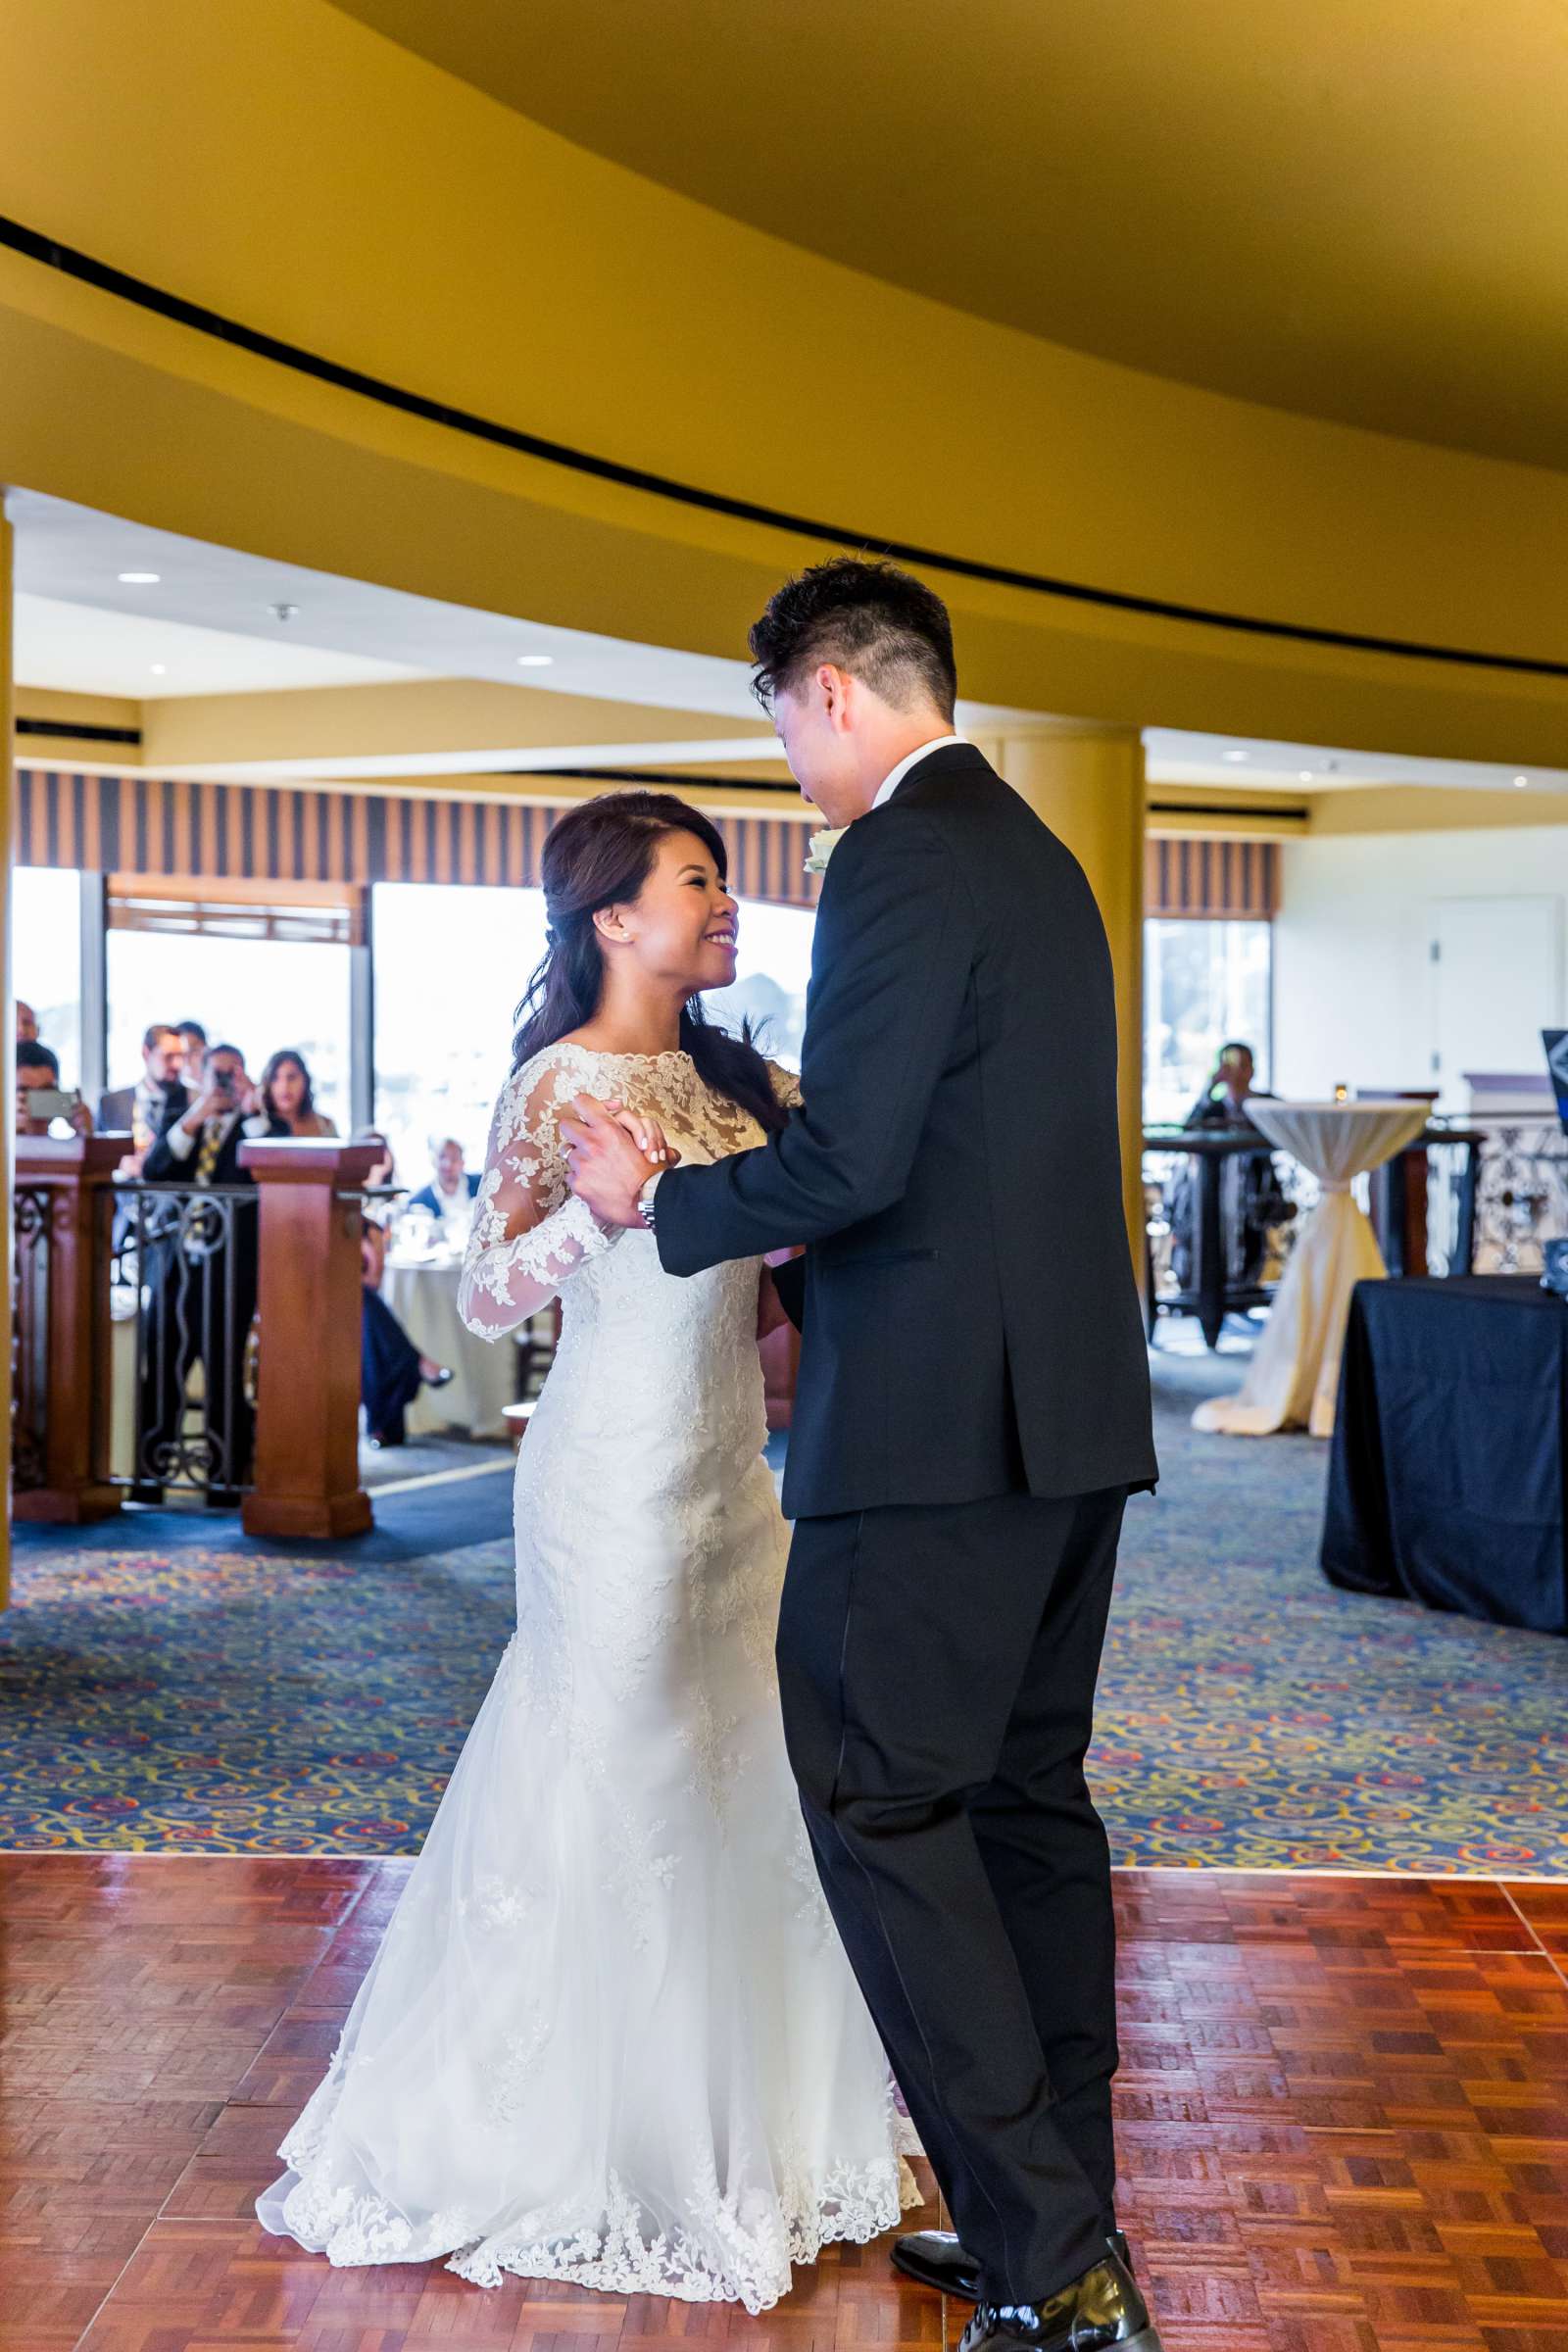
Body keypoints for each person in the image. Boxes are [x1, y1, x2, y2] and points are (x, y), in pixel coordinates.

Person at [564, 560, 1162, 2352]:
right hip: (1066, 1420)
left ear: (827, 690)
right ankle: (1056, 2219)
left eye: (780, 725)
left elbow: (864, 1161)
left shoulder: (901, 856)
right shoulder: (1040, 855)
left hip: (934, 1438)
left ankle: (1056, 2263)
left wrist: (658, 1196)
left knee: (885, 1796)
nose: (790, 773)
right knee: (1024, 1807)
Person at [256, 790, 917, 2305]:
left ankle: (743, 2123)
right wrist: (607, 1222)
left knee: (740, 1766)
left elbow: (765, 1289)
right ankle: (581, 2134)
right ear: (614, 918)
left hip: (723, 1479)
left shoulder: (740, 1080)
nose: (726, 903)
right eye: (697, 882)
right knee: (618, 1761)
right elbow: (490, 1295)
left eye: (725, 882)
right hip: (605, 1481)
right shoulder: (558, 1086)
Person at [137, 1043, 280, 1502]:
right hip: (176, 1269)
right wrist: (197, 1114)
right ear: (198, 1076)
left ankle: (225, 1485)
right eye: (215, 1074)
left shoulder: (257, 1124)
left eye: (231, 1074)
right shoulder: (184, 1116)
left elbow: (269, 1169)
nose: (221, 1082)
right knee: (161, 1369)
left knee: (224, 1373)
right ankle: (149, 1481)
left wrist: (249, 1106)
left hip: (229, 1272)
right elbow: (156, 1169)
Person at [1170, 1040, 1293, 1293]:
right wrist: (1210, 1087)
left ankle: (1247, 1286)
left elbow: (1287, 1122)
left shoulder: (1264, 1104)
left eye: (1243, 1066)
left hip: (1254, 1191)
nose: (1237, 1073)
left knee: (1251, 1241)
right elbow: (1188, 1131)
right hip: (1215, 1190)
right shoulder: (1213, 1107)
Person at [356, 1127, 452, 1446]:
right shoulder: (346, 1205)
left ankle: (385, 1420)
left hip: (361, 1295)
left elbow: (373, 1277)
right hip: (336, 1298)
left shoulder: (385, 1204)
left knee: (373, 1329)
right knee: (370, 1319)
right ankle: (416, 1363)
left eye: (379, 1154)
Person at [99, 1022, 189, 1159]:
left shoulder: (192, 1103)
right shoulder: (111, 1104)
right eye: (169, 1056)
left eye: (181, 1056)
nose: (177, 1064)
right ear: (146, 1053)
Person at [406, 1135, 480, 1243]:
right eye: (442, 1157)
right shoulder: (419, 1200)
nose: (447, 1164)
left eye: (453, 1158)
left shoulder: (481, 1185)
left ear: (462, 1162)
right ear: (433, 1161)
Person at [16, 1039, 94, 1138]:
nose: (39, 1101)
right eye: (24, 1090)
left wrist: (86, 1137)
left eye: (46, 1090)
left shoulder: (67, 1149)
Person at [260, 1047, 338, 1137]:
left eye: (291, 1077)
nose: (284, 1086)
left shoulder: (325, 1125)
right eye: (275, 1078)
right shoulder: (258, 1123)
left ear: (305, 1081)